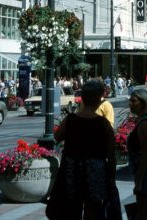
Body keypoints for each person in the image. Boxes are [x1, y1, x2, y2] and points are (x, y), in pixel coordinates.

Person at [46, 79, 121, 220]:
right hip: (95, 170)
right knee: (93, 208)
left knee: (72, 207)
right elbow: (111, 156)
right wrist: (112, 179)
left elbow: (57, 136)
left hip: (72, 168)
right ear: (99, 99)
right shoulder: (104, 124)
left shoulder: (71, 119)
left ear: (84, 98)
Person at [127, 89, 147, 219]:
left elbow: (144, 154)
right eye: (130, 100)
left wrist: (139, 181)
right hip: (144, 170)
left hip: (146, 171)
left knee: (144, 211)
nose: (130, 103)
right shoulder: (142, 121)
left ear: (143, 103)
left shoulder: (144, 124)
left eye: (134, 101)